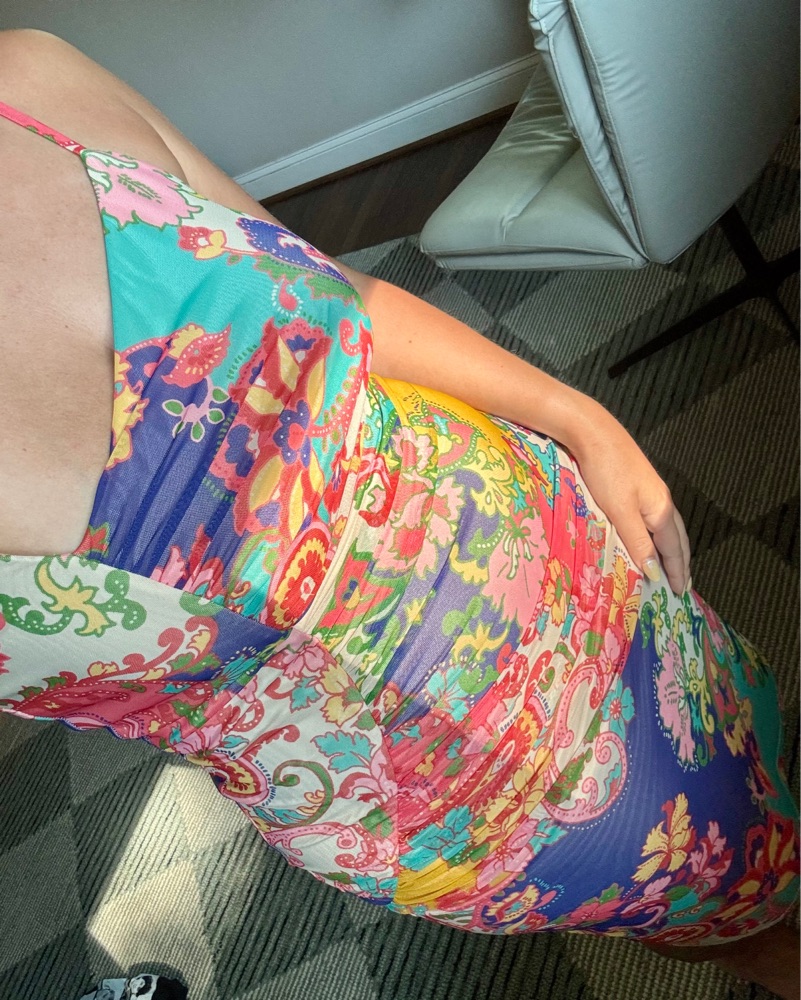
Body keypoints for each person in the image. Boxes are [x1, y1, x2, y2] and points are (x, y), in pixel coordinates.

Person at [0, 28, 797, 999]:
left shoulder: (29, 81)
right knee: (703, 897)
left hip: (554, 538)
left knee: (739, 729)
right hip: (445, 791)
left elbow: (336, 296)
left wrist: (578, 418)